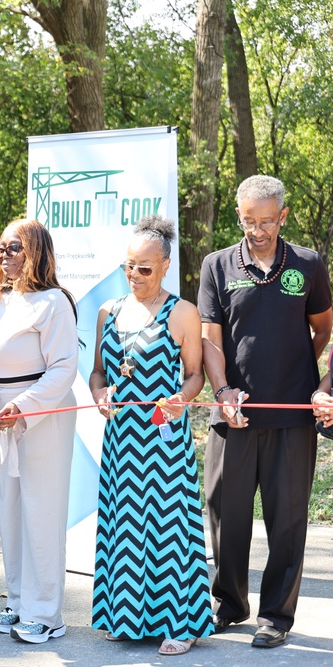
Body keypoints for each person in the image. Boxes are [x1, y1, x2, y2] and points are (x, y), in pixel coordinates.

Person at [199, 175, 332, 649]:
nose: (257, 230)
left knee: (288, 519)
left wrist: (309, 381)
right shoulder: (216, 265)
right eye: (248, 220)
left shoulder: (309, 265)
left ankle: (276, 615)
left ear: (283, 216)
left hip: (293, 417)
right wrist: (223, 391)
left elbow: (322, 332)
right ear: (239, 215)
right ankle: (230, 604)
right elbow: (209, 338)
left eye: (266, 221)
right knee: (224, 513)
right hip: (233, 416)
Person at [89, 216, 213, 656]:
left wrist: (181, 397)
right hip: (122, 442)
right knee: (123, 527)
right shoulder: (109, 310)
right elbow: (99, 372)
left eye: (145, 268)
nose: (135, 276)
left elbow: (197, 375)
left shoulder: (182, 312)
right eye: (129, 267)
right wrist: (100, 393)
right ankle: (126, 617)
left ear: (164, 265)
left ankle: (181, 624)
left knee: (169, 530)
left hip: (162, 440)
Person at [0, 219, 78, 644]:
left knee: (41, 511)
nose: (4, 256)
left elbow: (64, 368)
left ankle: (46, 613)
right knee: (10, 511)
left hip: (40, 415)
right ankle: (18, 601)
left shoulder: (54, 302)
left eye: (14, 248)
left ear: (36, 251)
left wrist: (23, 406)